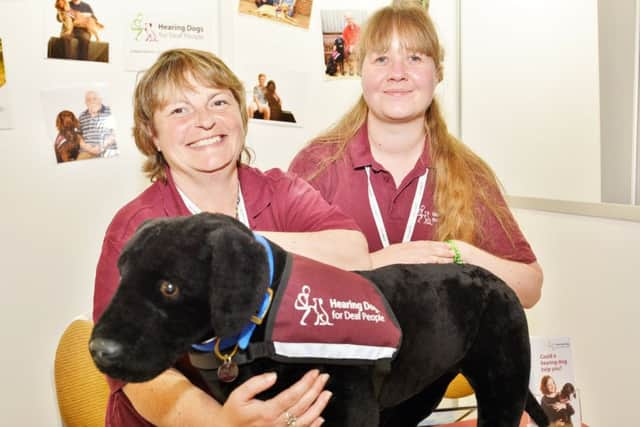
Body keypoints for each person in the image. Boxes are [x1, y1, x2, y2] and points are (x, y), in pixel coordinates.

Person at [93, 48, 371, 426]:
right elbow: (131, 368)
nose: (205, 121)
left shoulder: (279, 191)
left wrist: (233, 246)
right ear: (151, 135)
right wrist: (223, 423)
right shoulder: (139, 226)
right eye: (179, 110)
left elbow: (354, 253)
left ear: (241, 114)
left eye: (218, 101)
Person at [289, 1, 543, 309]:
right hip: (341, 353)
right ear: (361, 71)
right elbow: (281, 271)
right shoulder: (319, 163)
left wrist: (457, 254)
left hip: (438, 353)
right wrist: (372, 263)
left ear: (437, 74)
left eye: (414, 58)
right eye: (382, 58)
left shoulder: (468, 172)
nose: (398, 73)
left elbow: (530, 288)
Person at [77, 90, 117, 159]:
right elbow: (78, 136)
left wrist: (102, 146)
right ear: (85, 103)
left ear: (100, 100)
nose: (92, 101)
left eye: (94, 98)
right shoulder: (82, 116)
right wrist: (87, 148)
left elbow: (116, 132)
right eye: (88, 100)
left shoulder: (110, 111)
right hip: (87, 151)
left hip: (108, 149)